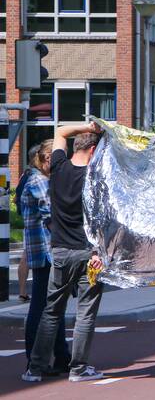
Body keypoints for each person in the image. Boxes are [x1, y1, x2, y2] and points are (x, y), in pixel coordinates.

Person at [23, 122, 105, 383]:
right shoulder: (96, 179)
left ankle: (34, 368)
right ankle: (78, 369)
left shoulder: (58, 168)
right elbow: (101, 220)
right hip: (88, 254)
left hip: (59, 251)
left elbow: (59, 131)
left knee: (51, 311)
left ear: (76, 147)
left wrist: (89, 126)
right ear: (92, 151)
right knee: (85, 312)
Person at [21, 140, 71, 373]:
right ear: (46, 159)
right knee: (42, 306)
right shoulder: (38, 182)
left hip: (46, 252)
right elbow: (52, 212)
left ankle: (61, 356)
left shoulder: (40, 180)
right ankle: (35, 359)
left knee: (54, 306)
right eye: (59, 158)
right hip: (44, 253)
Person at [14, 145, 40, 303]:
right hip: (37, 222)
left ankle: (23, 292)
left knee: (26, 255)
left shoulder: (25, 175)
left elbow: (17, 197)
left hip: (28, 221)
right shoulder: (36, 177)